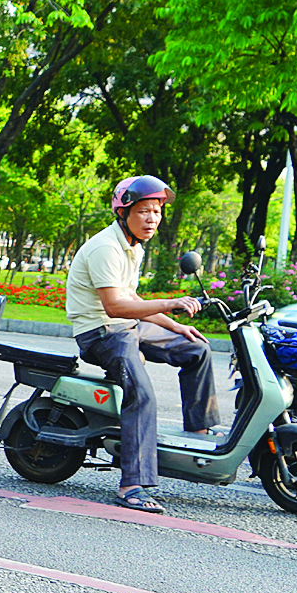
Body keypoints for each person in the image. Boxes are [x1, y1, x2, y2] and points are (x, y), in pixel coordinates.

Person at [63, 175, 218, 515]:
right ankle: (132, 485)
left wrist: (177, 326)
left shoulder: (132, 246)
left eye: (157, 212)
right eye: (144, 211)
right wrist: (169, 304)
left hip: (127, 326)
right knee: (142, 395)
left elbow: (132, 299)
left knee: (196, 349)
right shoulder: (106, 248)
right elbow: (115, 307)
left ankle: (199, 433)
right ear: (124, 212)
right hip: (102, 333)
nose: (152, 219)